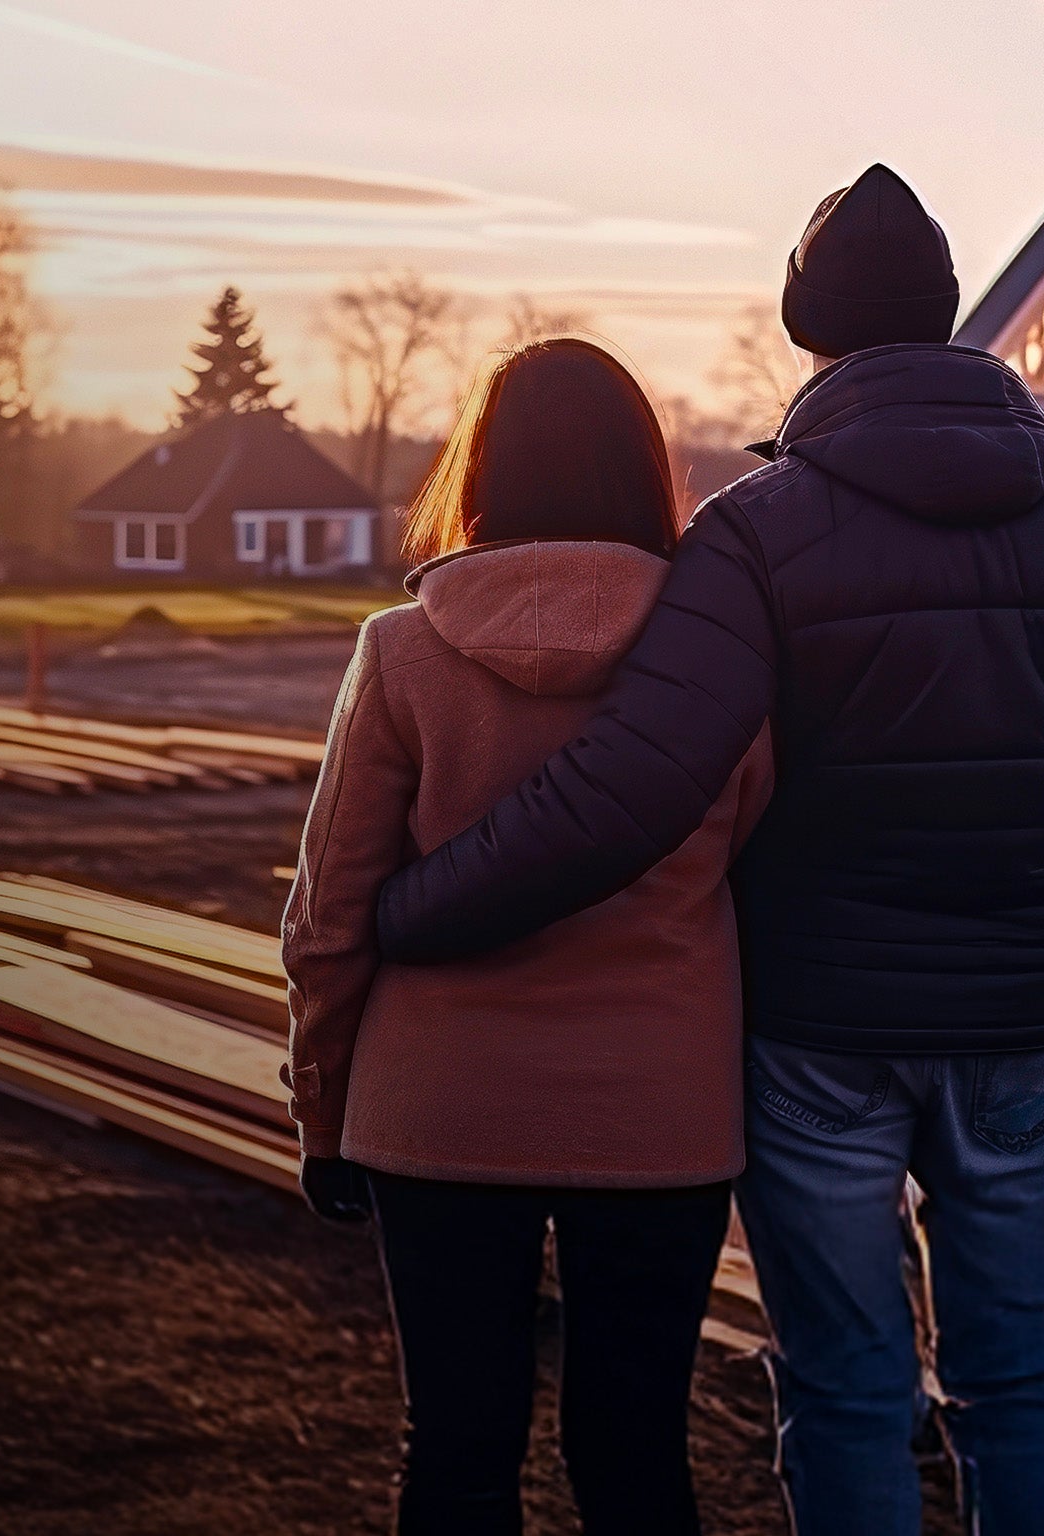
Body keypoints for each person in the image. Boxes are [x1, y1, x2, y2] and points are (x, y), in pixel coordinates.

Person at [372, 165, 1044, 1536]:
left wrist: (417, 906)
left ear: (807, 325)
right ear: (954, 317)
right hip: (1019, 1022)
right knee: (1018, 1369)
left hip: (818, 1030)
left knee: (847, 1379)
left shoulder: (757, 537)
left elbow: (634, 786)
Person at [282, 336, 775, 1536]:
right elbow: (754, 862)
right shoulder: (717, 662)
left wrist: (322, 1109)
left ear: (481, 467)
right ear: (640, 470)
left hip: (433, 1106)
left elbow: (330, 909)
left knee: (454, 1449)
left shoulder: (398, 652)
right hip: (655, 1109)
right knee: (634, 1451)